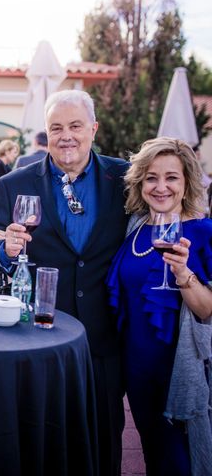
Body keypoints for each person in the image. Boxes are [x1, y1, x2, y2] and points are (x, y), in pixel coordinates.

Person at [0, 89, 129, 476]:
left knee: (104, 441)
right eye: (57, 128)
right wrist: (6, 250)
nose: (66, 136)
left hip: (104, 337)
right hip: (40, 337)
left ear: (93, 128)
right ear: (46, 133)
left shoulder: (123, 177)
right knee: (40, 436)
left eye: (75, 126)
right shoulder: (13, 183)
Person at [106, 137, 212, 475]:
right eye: (152, 177)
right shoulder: (133, 230)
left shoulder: (203, 232)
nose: (161, 186)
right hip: (135, 369)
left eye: (172, 177)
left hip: (176, 369)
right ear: (140, 182)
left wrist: (183, 273)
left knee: (179, 460)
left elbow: (207, 310)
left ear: (186, 183)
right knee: (153, 453)